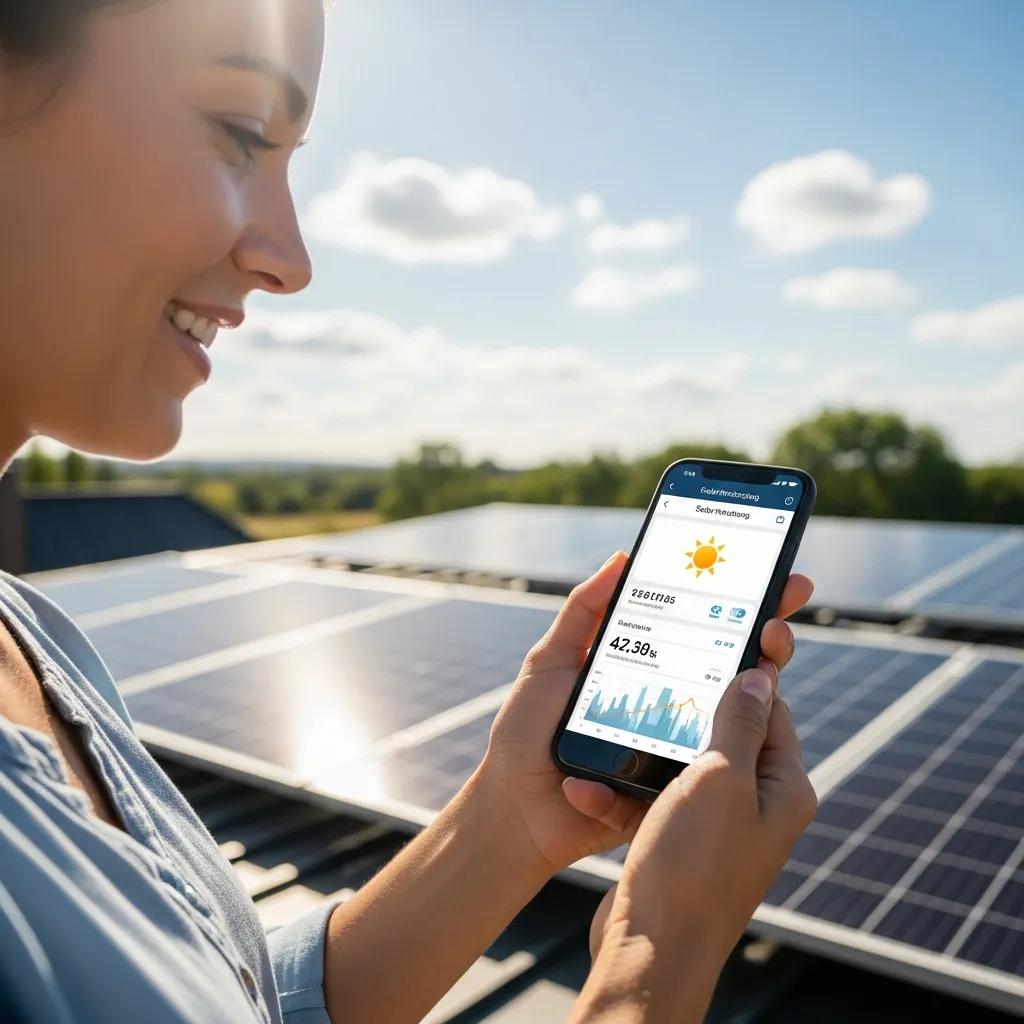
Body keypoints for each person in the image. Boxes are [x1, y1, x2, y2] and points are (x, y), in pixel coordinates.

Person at [0, 2, 818, 1021]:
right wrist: (657, 953)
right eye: (243, 131)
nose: (292, 259)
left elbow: (224, 1001)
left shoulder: (34, 639)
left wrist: (512, 825)